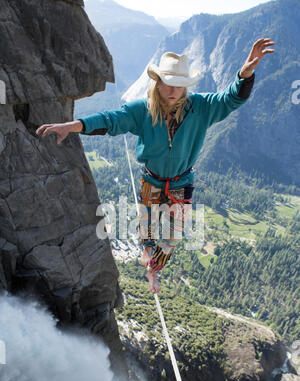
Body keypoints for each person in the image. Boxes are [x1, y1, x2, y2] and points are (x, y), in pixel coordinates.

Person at [36, 37, 275, 294]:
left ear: (186, 87)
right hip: (152, 179)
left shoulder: (201, 108)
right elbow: (111, 120)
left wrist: (244, 74)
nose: (173, 90)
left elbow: (231, 99)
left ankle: (154, 270)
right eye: (168, 83)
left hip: (181, 182)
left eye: (179, 85)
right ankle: (146, 250)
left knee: (172, 238)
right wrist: (72, 126)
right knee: (147, 227)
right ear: (158, 82)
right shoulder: (144, 111)